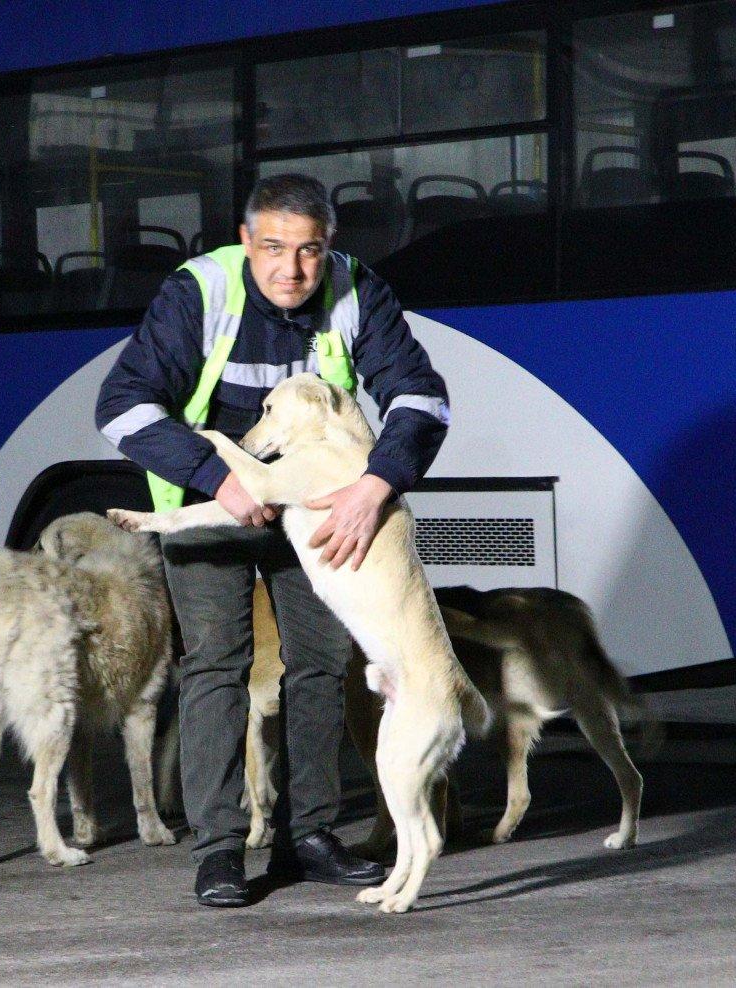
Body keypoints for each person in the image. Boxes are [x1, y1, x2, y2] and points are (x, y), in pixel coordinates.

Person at [95, 174, 450, 907]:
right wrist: (211, 476)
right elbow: (122, 406)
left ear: (330, 249)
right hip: (210, 497)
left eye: (311, 251)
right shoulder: (200, 290)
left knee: (320, 666)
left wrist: (376, 484)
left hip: (319, 508)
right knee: (218, 666)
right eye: (276, 249)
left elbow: (420, 394)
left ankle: (310, 836)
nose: (292, 269)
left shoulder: (357, 291)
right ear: (246, 241)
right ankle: (221, 849)